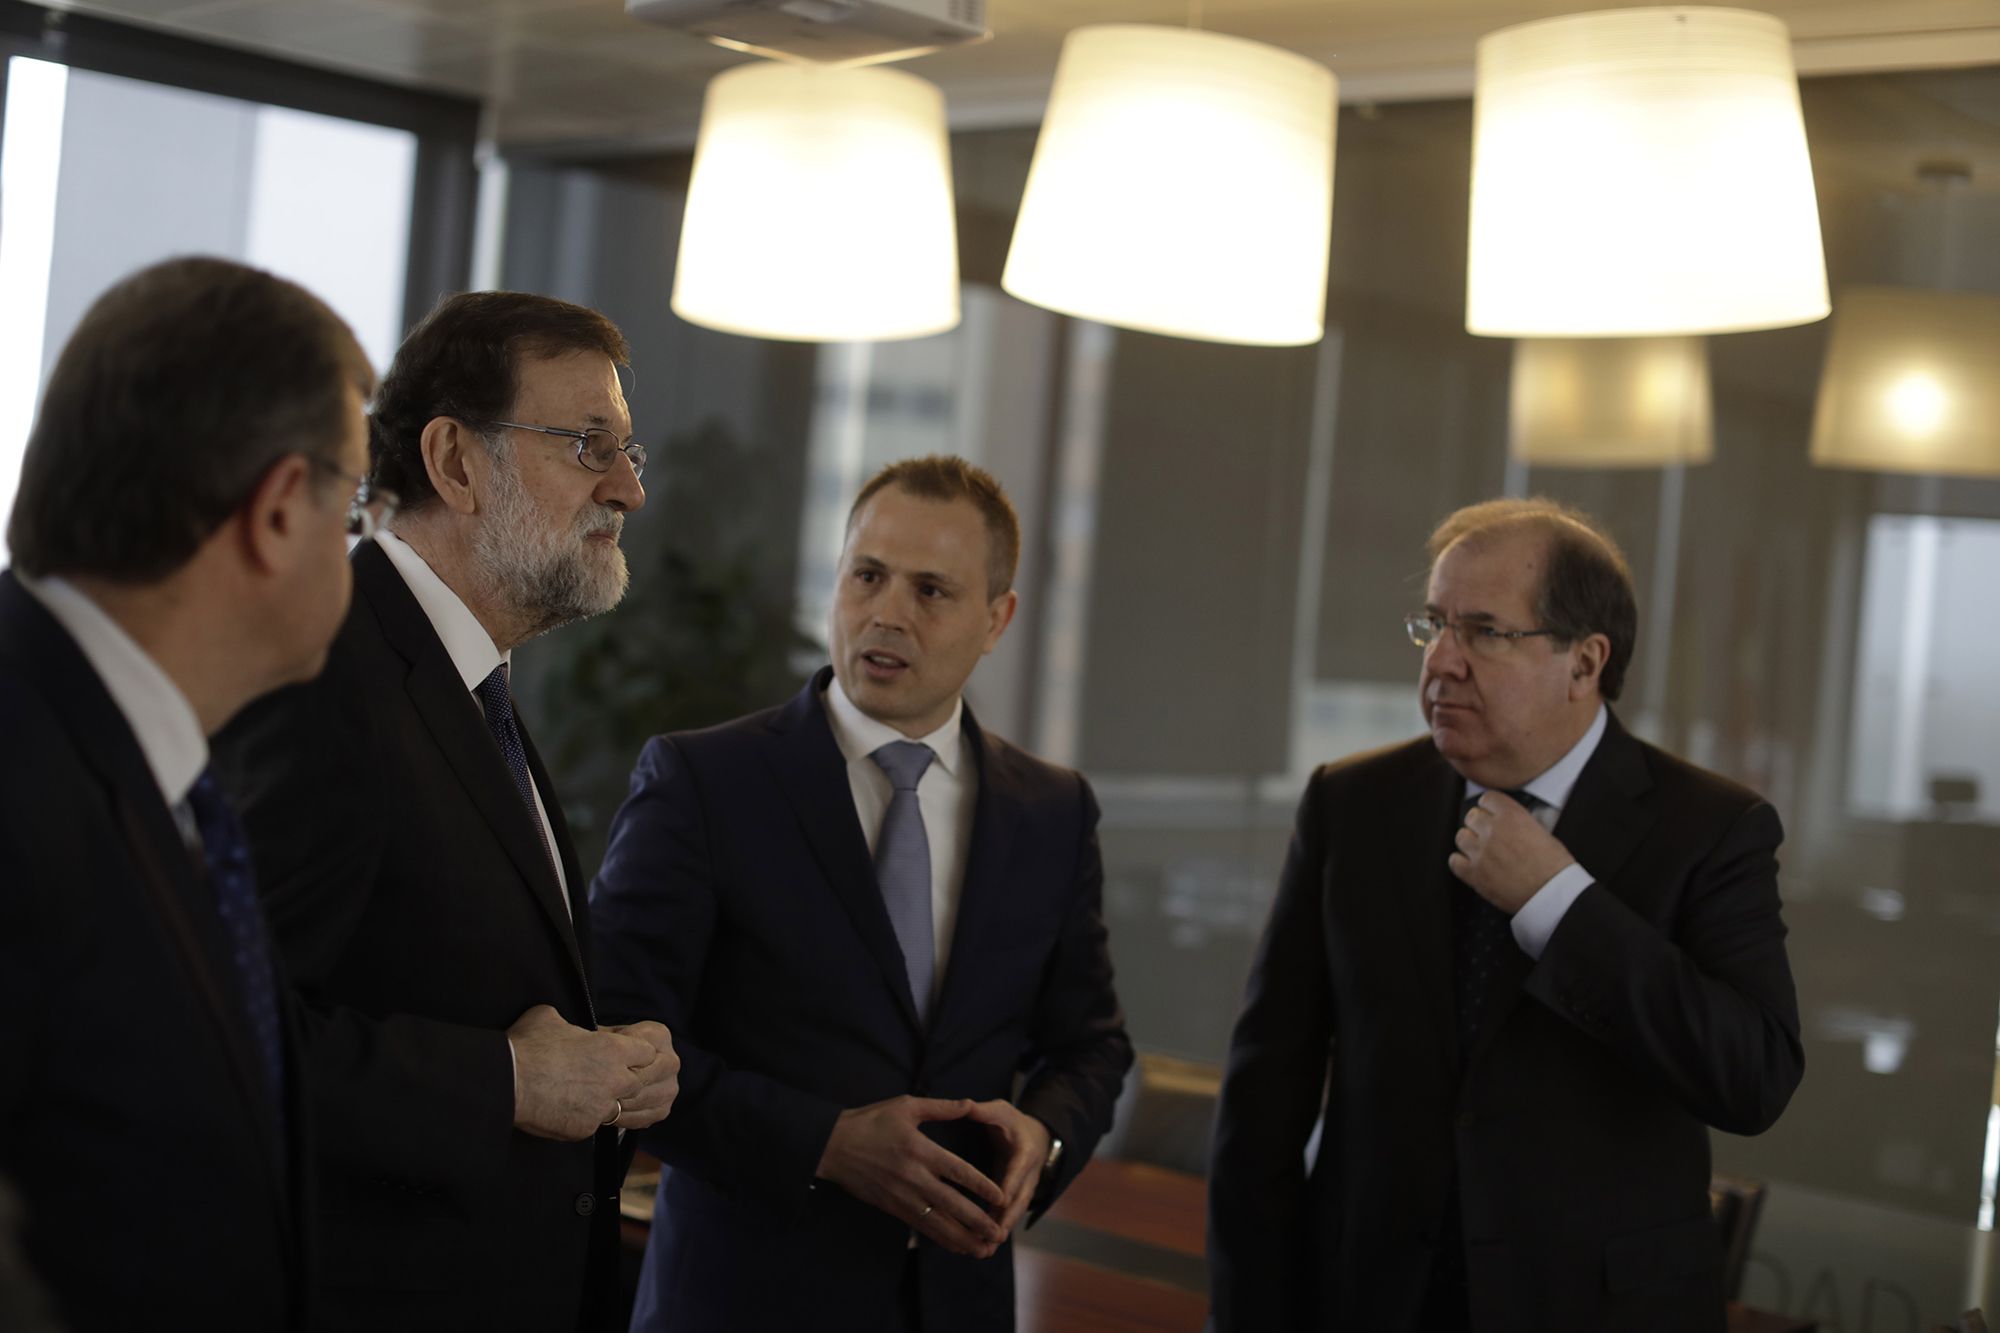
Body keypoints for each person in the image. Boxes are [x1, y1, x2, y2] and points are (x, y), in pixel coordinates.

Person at [1207, 497, 1804, 1333]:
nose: (1443, 661)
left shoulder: (1711, 828)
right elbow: (1266, 1094)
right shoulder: (1353, 801)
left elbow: (1754, 1075)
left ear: (1584, 662)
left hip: (1597, 1308)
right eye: (1434, 626)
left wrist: (1560, 901)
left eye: (1485, 631)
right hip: (1369, 1298)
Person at [211, 291, 680, 1332]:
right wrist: (506, 1078)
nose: (627, 489)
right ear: (456, 462)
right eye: (588, 444)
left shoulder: (472, 689)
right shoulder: (323, 672)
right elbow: (213, 1035)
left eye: (629, 449)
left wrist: (608, 1071)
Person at [591, 454, 1133, 1332]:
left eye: (931, 591)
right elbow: (618, 1038)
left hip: (957, 1302)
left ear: (999, 618)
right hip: (741, 1301)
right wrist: (826, 1144)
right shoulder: (704, 781)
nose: (887, 613)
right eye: (868, 575)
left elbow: (1091, 1044)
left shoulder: (1052, 811)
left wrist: (1047, 1135)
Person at [0, 256, 377, 1330]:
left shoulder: (157, 773)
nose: (355, 548)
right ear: (272, 513)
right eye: (350, 507)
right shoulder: (21, 771)